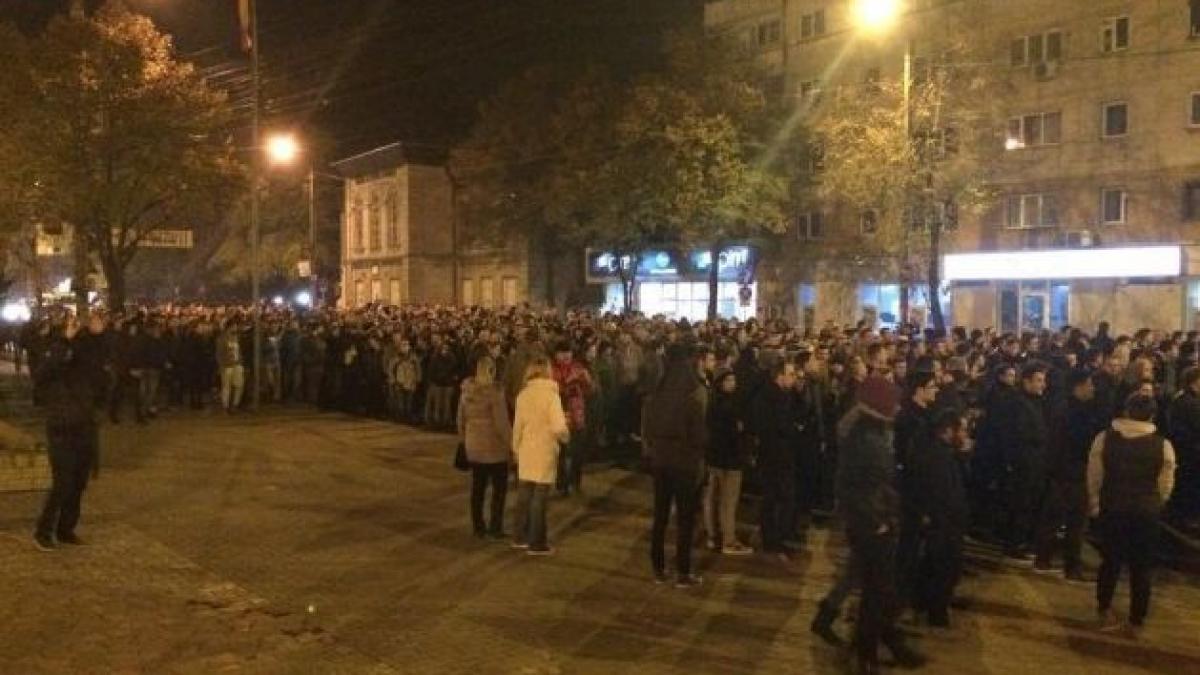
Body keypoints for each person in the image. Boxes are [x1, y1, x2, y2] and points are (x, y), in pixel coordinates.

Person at [833, 375, 925, 674]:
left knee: (880, 589)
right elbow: (858, 488)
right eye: (893, 402)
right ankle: (868, 652)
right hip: (871, 525)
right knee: (877, 591)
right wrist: (879, 521)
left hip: (873, 520)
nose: (898, 407)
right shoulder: (866, 439)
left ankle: (884, 644)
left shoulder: (872, 433)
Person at [1088, 393, 1176, 633]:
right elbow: (1165, 481)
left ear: (1126, 410)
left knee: (1110, 561)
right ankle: (1136, 618)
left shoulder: (1105, 438)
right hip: (1145, 510)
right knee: (1142, 566)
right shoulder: (1163, 445)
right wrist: (1157, 501)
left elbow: (1095, 473)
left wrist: (1094, 501)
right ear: (1152, 415)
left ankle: (1104, 607)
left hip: (1113, 506)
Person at [33, 314, 104, 551]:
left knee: (78, 484)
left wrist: (97, 335)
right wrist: (64, 341)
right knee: (62, 483)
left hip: (84, 426)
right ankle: (43, 530)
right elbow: (46, 368)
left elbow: (97, 362)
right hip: (62, 428)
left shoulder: (82, 365)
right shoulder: (53, 364)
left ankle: (66, 529)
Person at [642, 344, 709, 587]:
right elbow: (700, 436)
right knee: (685, 519)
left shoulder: (657, 395)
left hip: (661, 461)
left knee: (660, 516)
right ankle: (683, 571)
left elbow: (648, 429)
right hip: (684, 463)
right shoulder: (692, 395)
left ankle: (658, 567)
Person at [1034, 369, 1105, 581]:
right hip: (1072, 472)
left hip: (1063, 471)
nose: (1093, 388)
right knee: (1074, 521)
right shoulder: (1073, 413)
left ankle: (1044, 558)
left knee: (1056, 517)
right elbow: (1075, 443)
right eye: (1089, 384)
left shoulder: (1068, 409)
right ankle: (1070, 566)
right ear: (1078, 386)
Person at [908, 410, 970, 627]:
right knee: (943, 566)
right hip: (943, 524)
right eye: (961, 430)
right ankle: (936, 610)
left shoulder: (944, 453)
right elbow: (942, 495)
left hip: (945, 522)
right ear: (947, 431)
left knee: (935, 566)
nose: (965, 434)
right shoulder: (938, 457)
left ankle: (925, 603)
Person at [511, 356, 569, 556]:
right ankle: (537, 542)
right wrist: (565, 437)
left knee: (524, 495)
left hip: (527, 448)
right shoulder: (551, 396)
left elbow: (517, 426)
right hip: (544, 450)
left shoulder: (523, 395)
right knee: (539, 499)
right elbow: (559, 426)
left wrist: (516, 448)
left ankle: (520, 536)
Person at [458, 356, 513, 539]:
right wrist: (511, 444)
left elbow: (460, 420)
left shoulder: (466, 392)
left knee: (478, 488)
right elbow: (501, 424)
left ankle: (478, 525)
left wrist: (465, 439)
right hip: (494, 448)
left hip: (474, 445)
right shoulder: (494, 393)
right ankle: (495, 526)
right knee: (499, 490)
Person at [751, 360, 800, 562]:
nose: (794, 377)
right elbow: (781, 427)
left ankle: (773, 538)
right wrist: (795, 428)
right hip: (776, 456)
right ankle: (776, 540)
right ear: (779, 376)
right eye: (790, 374)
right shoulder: (776, 398)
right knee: (778, 499)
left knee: (772, 499)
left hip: (771, 455)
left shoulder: (773, 395)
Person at [703, 370, 753, 555]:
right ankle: (728, 540)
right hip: (730, 460)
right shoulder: (731, 407)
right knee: (728, 502)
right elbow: (737, 432)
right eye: (729, 380)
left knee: (712, 499)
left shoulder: (712, 404)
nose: (733, 383)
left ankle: (712, 535)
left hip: (714, 459)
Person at [551, 342, 593, 496]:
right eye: (562, 353)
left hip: (577, 415)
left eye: (568, 352)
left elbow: (591, 390)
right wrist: (565, 388)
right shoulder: (551, 371)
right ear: (555, 355)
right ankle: (562, 484)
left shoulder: (579, 368)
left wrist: (585, 382)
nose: (566, 356)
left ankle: (576, 481)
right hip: (559, 416)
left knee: (577, 452)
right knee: (560, 453)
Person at [1166, 366, 1200, 532]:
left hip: (1183, 451)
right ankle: (1186, 519)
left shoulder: (1181, 398)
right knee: (1189, 486)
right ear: (1195, 383)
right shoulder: (1192, 404)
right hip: (1191, 453)